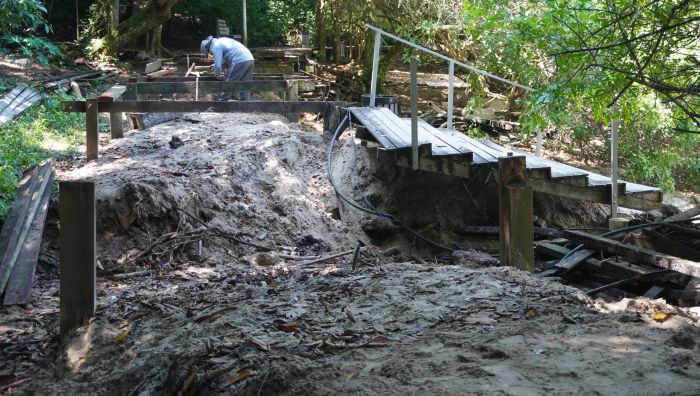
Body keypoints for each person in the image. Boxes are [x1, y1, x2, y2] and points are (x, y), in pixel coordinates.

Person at [200, 36, 255, 101]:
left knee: (228, 82)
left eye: (209, 52)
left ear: (208, 47)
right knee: (245, 84)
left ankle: (221, 104)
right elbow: (226, 56)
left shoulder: (215, 46)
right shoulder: (221, 41)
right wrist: (215, 64)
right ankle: (245, 106)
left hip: (239, 61)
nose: (210, 53)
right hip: (249, 59)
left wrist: (217, 75)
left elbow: (218, 66)